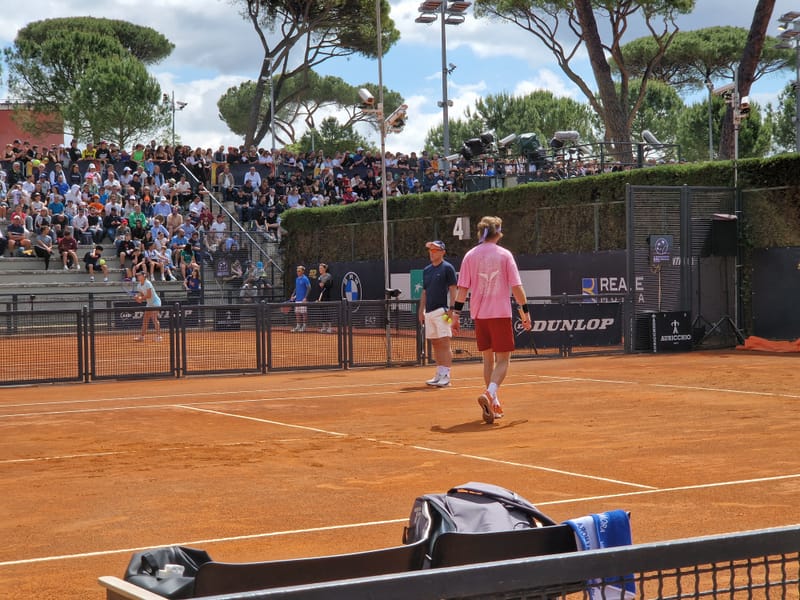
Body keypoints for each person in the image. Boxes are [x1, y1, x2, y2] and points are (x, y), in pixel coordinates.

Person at [450, 216, 532, 424]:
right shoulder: (505, 255)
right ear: (499, 233)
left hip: (480, 316)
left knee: (488, 360)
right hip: (500, 314)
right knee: (503, 360)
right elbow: (517, 288)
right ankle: (489, 393)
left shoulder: (470, 255)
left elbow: (462, 290)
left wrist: (456, 315)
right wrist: (525, 312)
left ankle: (493, 404)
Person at [418, 240, 458, 387]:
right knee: (435, 343)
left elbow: (453, 289)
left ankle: (446, 376)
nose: (432, 253)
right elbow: (424, 292)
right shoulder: (427, 270)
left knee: (444, 342)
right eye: (430, 250)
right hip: (429, 313)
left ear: (442, 252)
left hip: (443, 312)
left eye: (435, 250)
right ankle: (440, 373)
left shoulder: (448, 268)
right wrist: (421, 310)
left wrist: (452, 309)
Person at [134, 270, 162, 342]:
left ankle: (159, 336)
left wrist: (141, 298)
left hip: (156, 302)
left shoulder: (148, 283)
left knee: (154, 318)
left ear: (144, 276)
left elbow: (149, 295)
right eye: (138, 275)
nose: (138, 276)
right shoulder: (139, 285)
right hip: (149, 304)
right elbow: (141, 297)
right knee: (145, 320)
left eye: (139, 275)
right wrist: (137, 298)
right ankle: (142, 337)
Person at [290, 265, 310, 332]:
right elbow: (296, 288)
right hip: (297, 299)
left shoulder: (305, 279)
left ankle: (304, 326)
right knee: (297, 313)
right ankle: (298, 326)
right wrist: (293, 295)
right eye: (297, 271)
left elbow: (309, 288)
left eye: (299, 271)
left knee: (304, 313)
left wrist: (305, 297)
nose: (297, 272)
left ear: (303, 271)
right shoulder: (297, 279)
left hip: (303, 299)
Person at [316, 262, 334, 333]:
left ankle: (329, 328)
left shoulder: (328, 276)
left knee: (327, 312)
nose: (319, 269)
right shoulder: (319, 277)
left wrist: (324, 284)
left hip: (327, 296)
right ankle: (324, 327)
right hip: (321, 297)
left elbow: (330, 285)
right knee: (322, 312)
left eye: (321, 268)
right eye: (319, 268)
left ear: (325, 269)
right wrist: (319, 298)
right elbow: (319, 288)